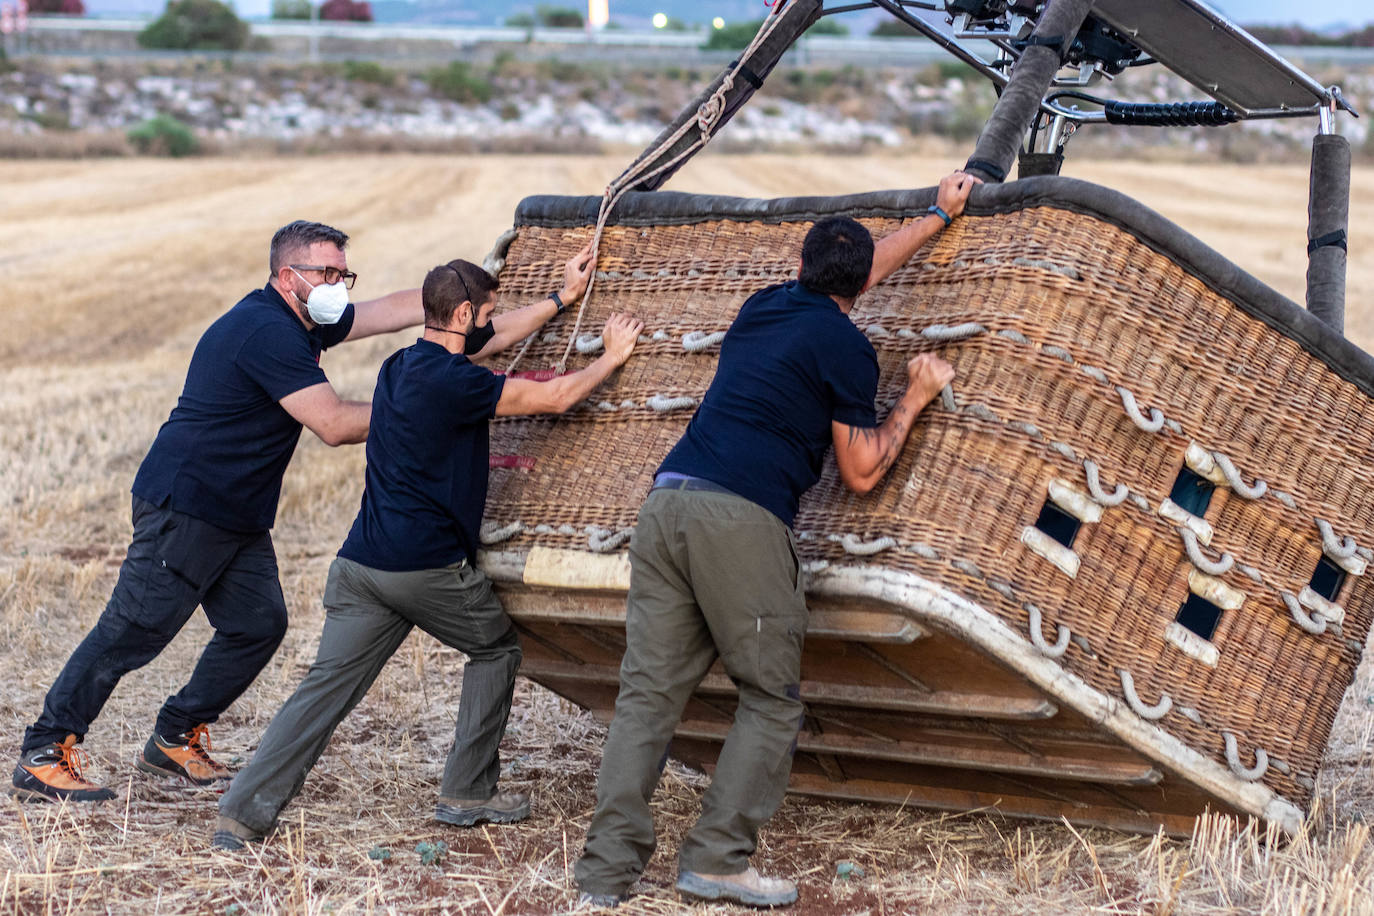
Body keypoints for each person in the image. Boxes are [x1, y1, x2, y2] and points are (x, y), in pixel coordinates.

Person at [574, 171, 980, 909]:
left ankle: (603, 878)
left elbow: (856, 271)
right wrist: (916, 395)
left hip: (667, 504)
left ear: (799, 269)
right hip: (742, 519)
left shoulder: (761, 307)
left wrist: (931, 217)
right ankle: (718, 859)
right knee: (770, 698)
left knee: (647, 697)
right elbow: (859, 471)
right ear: (856, 290)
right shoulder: (850, 350)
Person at [210, 253, 644, 849]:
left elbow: (478, 347)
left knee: (321, 692)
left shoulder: (398, 368)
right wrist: (611, 357)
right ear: (464, 312)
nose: (491, 324)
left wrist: (561, 300)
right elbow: (558, 398)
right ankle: (467, 791)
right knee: (495, 649)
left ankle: (241, 813)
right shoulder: (461, 384)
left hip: (361, 564)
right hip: (426, 570)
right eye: (486, 314)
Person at [16, 220, 447, 802]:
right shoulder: (265, 330)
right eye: (326, 274)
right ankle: (44, 750)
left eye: (344, 275)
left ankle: (174, 737)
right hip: (189, 503)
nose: (338, 287)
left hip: (237, 513)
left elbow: (394, 310)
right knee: (134, 629)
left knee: (257, 624)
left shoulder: (305, 318)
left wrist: (467, 300)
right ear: (286, 276)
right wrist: (427, 402)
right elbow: (336, 424)